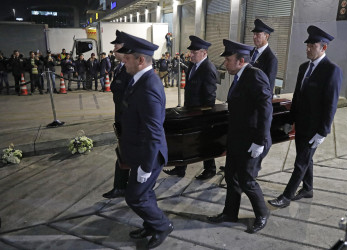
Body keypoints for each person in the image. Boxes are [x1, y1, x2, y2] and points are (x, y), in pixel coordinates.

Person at [268, 26, 343, 208]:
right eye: (307, 45)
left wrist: (323, 132)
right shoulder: (304, 68)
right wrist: (290, 120)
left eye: (312, 45)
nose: (308, 48)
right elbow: (298, 97)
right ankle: (308, 188)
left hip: (315, 128)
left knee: (300, 162)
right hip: (300, 125)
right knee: (305, 158)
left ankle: (286, 196)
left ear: (323, 48)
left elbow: (330, 104)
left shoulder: (331, 70)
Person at [207, 39, 273, 234]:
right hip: (237, 139)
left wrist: (260, 141)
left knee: (247, 180)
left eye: (228, 59)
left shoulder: (255, 76)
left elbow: (265, 111)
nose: (225, 63)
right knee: (231, 177)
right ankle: (230, 212)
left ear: (241, 60)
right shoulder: (239, 77)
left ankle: (262, 214)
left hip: (253, 140)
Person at [116, 33, 173, 249]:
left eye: (128, 58)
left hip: (148, 155)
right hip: (140, 151)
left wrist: (146, 167)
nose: (124, 60)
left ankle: (163, 225)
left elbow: (153, 131)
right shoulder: (139, 79)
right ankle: (151, 224)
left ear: (141, 60)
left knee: (135, 197)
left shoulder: (148, 86)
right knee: (145, 193)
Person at [163, 35, 218, 180]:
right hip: (190, 110)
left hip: (201, 113)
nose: (191, 55)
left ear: (204, 53)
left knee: (204, 142)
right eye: (191, 52)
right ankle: (180, 168)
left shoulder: (208, 69)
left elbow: (210, 97)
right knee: (185, 140)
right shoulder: (193, 65)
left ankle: (210, 169)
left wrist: (204, 116)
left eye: (194, 52)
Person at [102, 30, 132, 199]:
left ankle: (122, 186)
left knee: (124, 154)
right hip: (121, 119)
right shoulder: (120, 67)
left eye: (117, 46)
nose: (114, 49)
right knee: (123, 153)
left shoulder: (129, 70)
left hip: (127, 121)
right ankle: (122, 186)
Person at [250, 19, 278, 95]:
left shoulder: (271, 58)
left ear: (266, 36)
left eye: (257, 34)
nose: (254, 37)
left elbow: (269, 87)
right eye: (254, 34)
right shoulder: (250, 52)